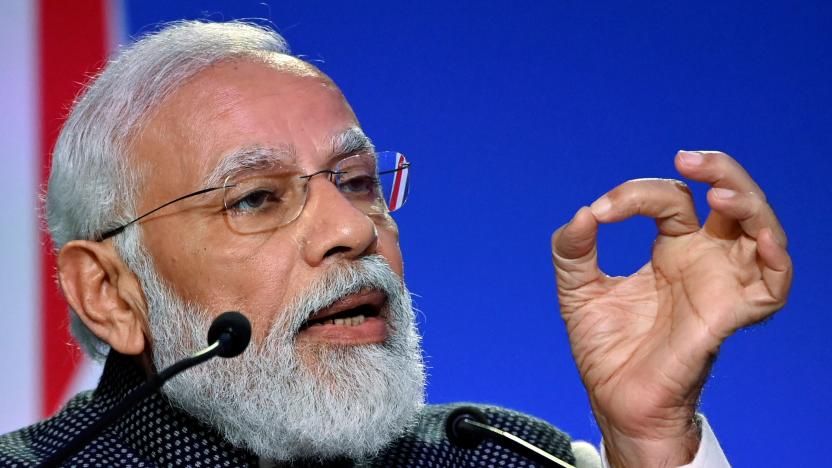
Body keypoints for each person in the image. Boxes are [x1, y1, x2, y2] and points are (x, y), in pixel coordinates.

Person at [0, 20, 791, 467]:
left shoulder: (507, 460)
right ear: (110, 293)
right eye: (256, 199)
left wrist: (651, 439)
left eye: (355, 181)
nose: (352, 231)